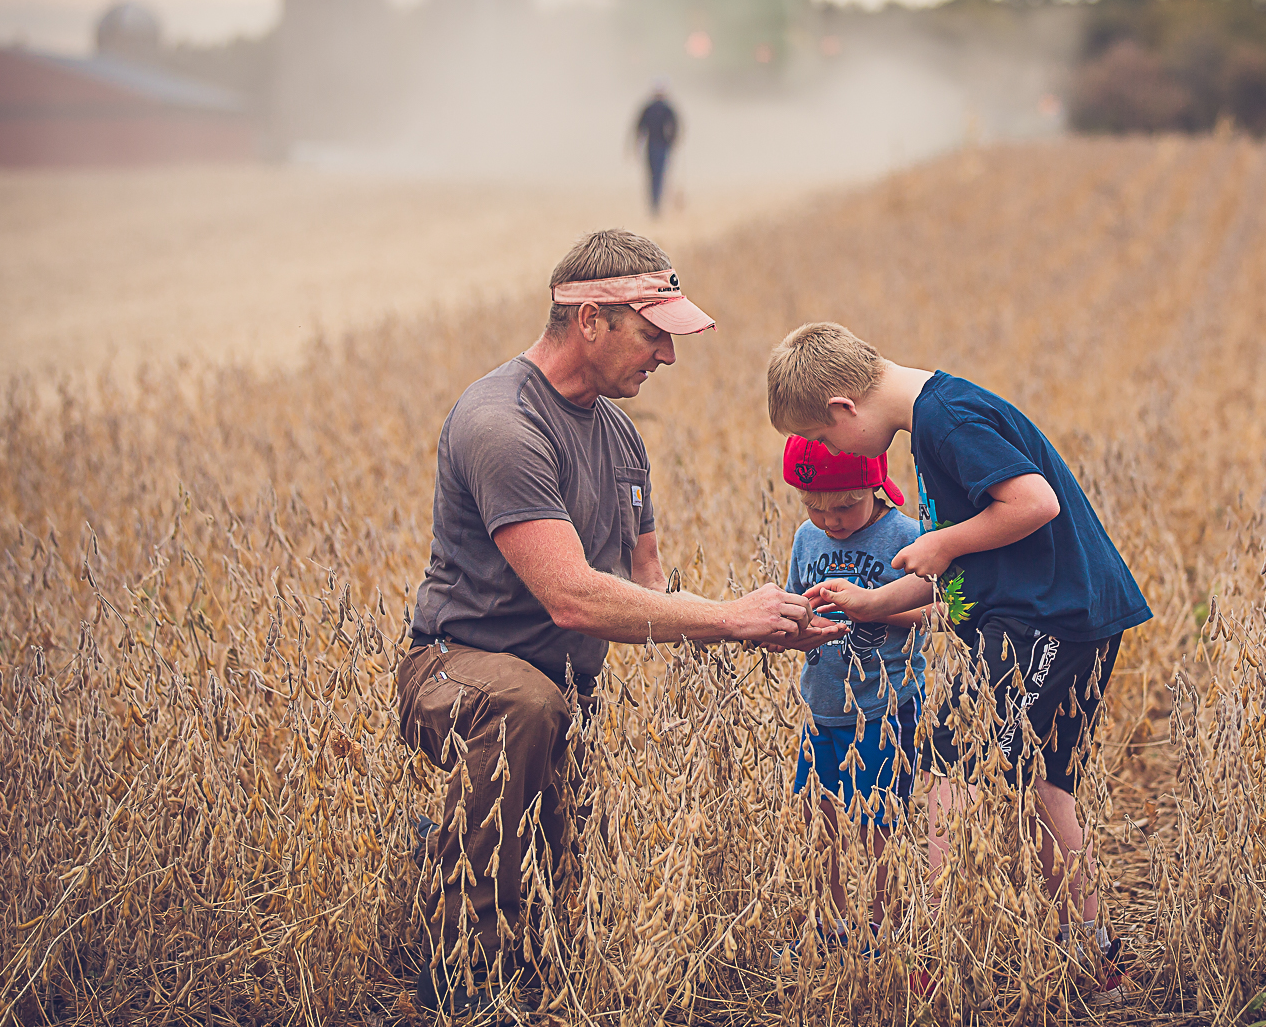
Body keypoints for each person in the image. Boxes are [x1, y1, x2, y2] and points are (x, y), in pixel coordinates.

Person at [400, 230, 824, 1015]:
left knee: (564, 892)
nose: (667, 356)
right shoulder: (503, 423)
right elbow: (574, 599)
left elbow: (647, 585)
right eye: (653, 334)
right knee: (524, 707)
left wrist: (766, 619)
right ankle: (460, 979)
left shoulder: (622, 437)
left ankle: (450, 862)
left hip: (567, 694)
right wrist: (728, 620)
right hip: (460, 668)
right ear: (590, 319)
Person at [766, 322, 1151, 1005]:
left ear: (842, 410)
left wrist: (943, 546)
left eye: (823, 440)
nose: (827, 453)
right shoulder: (931, 421)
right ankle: (1097, 964)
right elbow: (964, 559)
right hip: (1049, 616)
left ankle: (934, 954)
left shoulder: (947, 418)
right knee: (1042, 789)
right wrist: (872, 600)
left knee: (951, 762)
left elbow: (1034, 504)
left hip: (1048, 619)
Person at [776, 435, 928, 954]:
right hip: (821, 708)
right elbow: (797, 605)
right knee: (821, 821)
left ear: (876, 486)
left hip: (885, 709)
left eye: (844, 506)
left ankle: (887, 935)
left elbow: (940, 610)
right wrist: (793, 627)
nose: (831, 521)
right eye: (815, 507)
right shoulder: (807, 539)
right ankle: (830, 927)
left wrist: (871, 607)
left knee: (880, 824)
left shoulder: (906, 536)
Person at [629, 82, 680, 216]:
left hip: (651, 146)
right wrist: (672, 142)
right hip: (662, 147)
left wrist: (636, 146)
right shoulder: (667, 108)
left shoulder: (648, 108)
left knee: (651, 176)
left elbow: (639, 129)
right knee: (659, 176)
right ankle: (656, 205)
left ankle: (654, 205)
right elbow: (675, 127)